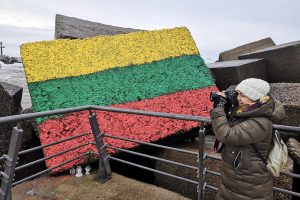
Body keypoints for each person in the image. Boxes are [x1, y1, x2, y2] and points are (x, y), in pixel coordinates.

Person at [210, 78, 286, 200]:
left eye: (242, 95)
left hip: (249, 185)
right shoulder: (246, 111)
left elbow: (226, 135)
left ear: (255, 97)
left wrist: (218, 109)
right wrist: (228, 105)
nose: (238, 98)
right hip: (237, 177)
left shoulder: (261, 122)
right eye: (237, 93)